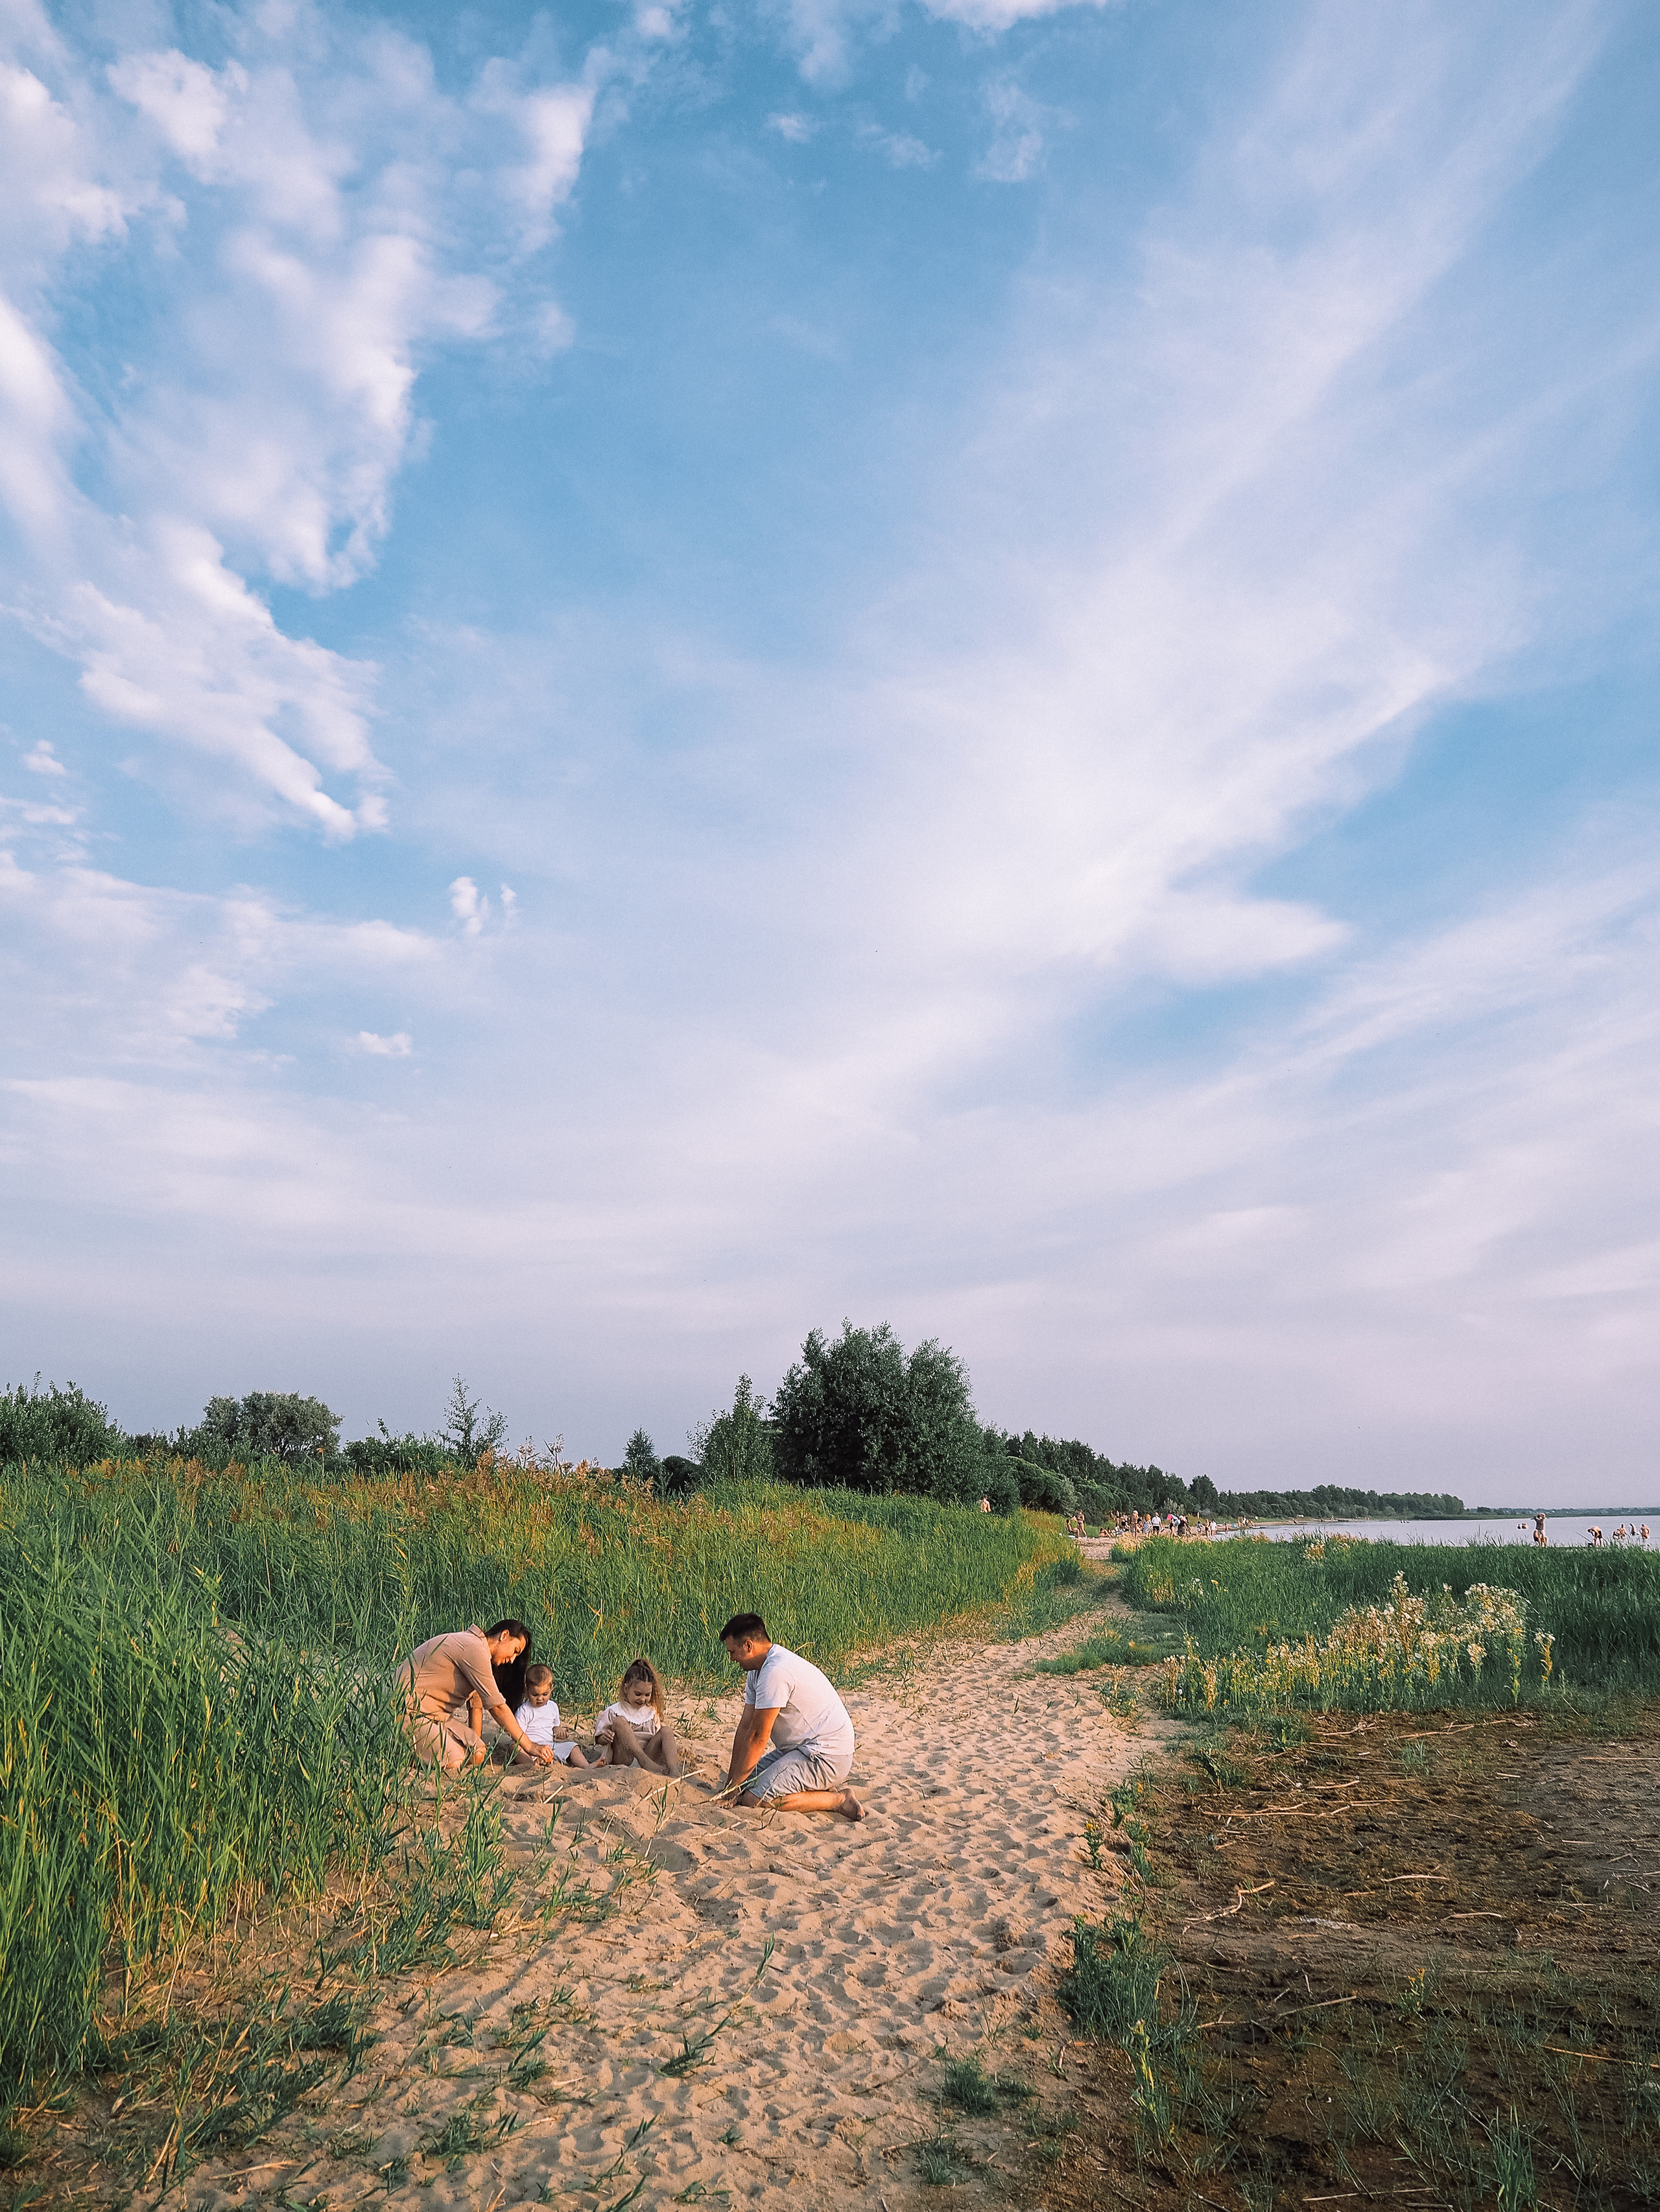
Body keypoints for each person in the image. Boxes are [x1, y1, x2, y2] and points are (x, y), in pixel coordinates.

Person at [718, 1612, 862, 1820]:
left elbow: (758, 1737)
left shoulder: (775, 1671)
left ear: (749, 1646)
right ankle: (817, 1788)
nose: (731, 1659)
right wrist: (731, 1785)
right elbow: (745, 1728)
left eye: (733, 1652)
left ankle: (839, 1800)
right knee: (745, 1786)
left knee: (752, 1799)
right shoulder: (756, 1672)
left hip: (826, 1755)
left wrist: (734, 1789)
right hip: (798, 1750)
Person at [396, 1618, 555, 1772]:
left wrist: (475, 1743)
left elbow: (476, 1705)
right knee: (456, 1760)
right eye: (515, 1651)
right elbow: (498, 1707)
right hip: (405, 1711)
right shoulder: (474, 1648)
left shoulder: (480, 1655)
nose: (513, 1660)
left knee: (478, 1753)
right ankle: (401, 1752)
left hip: (436, 1717)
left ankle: (427, 1750)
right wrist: (530, 1746)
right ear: (504, 1635)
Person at [593, 1656, 683, 1776]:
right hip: (625, 1757)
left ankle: (673, 1769)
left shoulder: (651, 1712)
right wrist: (604, 1738)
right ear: (626, 1689)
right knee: (619, 1722)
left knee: (666, 1731)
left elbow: (657, 1736)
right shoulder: (614, 1711)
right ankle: (643, 1761)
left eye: (647, 1695)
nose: (642, 1699)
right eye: (638, 1694)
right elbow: (599, 1738)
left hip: (649, 1755)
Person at [500, 1660, 595, 1771]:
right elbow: (518, 1735)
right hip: (529, 1748)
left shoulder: (553, 1707)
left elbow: (554, 1727)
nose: (540, 1698)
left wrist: (559, 1732)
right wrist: (532, 1746)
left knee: (573, 1746)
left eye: (545, 1694)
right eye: (535, 1695)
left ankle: (587, 1766)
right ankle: (532, 1765)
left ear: (552, 1688)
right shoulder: (524, 1711)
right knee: (514, 1749)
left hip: (550, 1746)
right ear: (527, 1690)